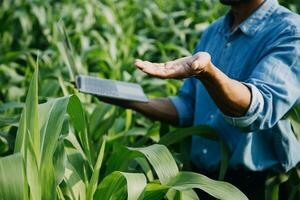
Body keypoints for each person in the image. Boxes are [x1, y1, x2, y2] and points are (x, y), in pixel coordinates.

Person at [100, 0, 300, 199]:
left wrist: (208, 73)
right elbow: (189, 108)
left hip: (250, 186)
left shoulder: (290, 30)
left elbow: (258, 108)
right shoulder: (215, 31)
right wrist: (129, 101)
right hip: (199, 179)